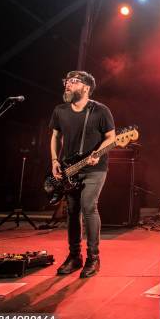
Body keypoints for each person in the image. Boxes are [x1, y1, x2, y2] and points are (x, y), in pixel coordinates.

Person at [49, 71, 116, 277]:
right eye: (66, 81)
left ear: (86, 87)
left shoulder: (100, 110)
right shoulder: (60, 110)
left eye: (73, 82)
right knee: (72, 211)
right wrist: (54, 160)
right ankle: (74, 257)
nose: (67, 85)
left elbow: (111, 138)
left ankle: (93, 258)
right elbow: (55, 136)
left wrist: (98, 153)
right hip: (70, 170)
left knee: (88, 206)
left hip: (94, 168)